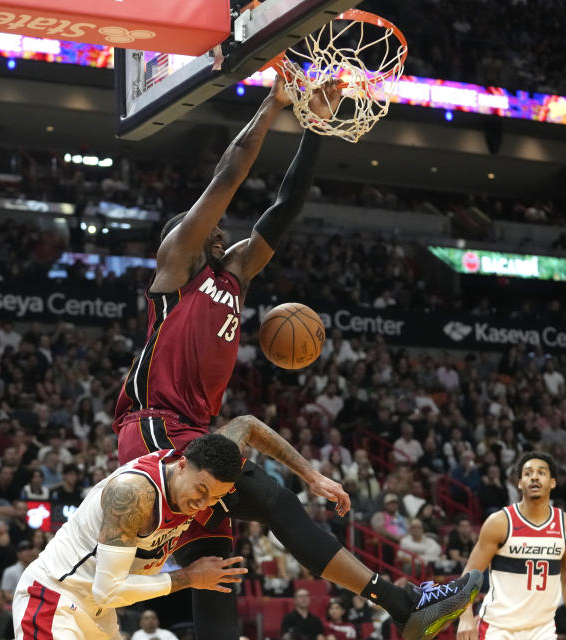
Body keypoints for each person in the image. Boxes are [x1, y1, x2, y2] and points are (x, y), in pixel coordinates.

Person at [111, 76, 481, 640]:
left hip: (195, 431)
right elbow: (230, 172)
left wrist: (314, 125)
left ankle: (405, 606)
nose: (222, 231)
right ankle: (404, 605)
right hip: (157, 432)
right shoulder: (176, 265)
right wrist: (273, 103)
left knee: (218, 571)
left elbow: (287, 205)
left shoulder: (233, 277)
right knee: (273, 499)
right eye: (208, 228)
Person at [13, 416, 351, 640]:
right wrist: (191, 577)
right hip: (54, 598)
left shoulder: (205, 467)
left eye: (213, 497)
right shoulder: (133, 495)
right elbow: (108, 590)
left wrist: (314, 476)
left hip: (99, 613)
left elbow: (247, 425)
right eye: (201, 490)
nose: (202, 503)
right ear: (182, 462)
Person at [457, 451, 566, 640]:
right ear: (519, 483)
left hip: (542, 630)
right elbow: (469, 575)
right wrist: (465, 617)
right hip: (498, 628)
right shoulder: (500, 522)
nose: (534, 477)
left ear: (552, 482)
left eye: (541, 472)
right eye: (528, 473)